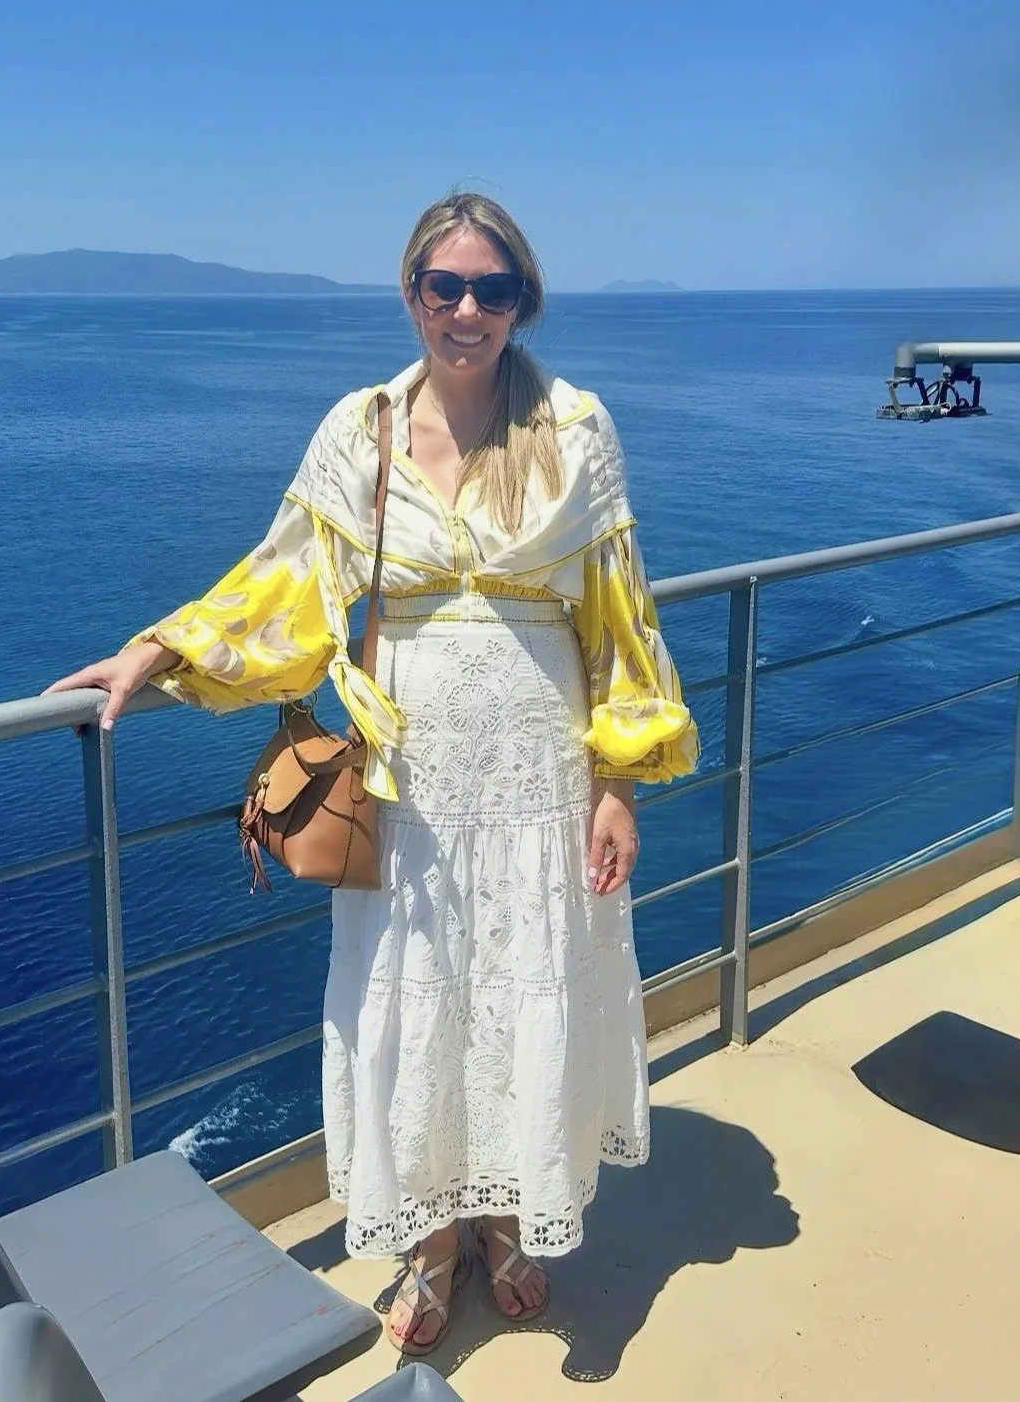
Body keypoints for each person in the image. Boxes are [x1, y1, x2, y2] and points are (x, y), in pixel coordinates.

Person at [45, 192, 699, 1357]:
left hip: (539, 766)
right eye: (443, 287)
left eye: (491, 290)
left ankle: (505, 1219)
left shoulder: (577, 426)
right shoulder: (365, 428)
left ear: (521, 301)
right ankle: (434, 1241)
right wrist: (158, 651)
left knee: (520, 984)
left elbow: (620, 618)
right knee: (420, 999)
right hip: (412, 779)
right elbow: (286, 573)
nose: (466, 309)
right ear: (410, 294)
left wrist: (618, 785)